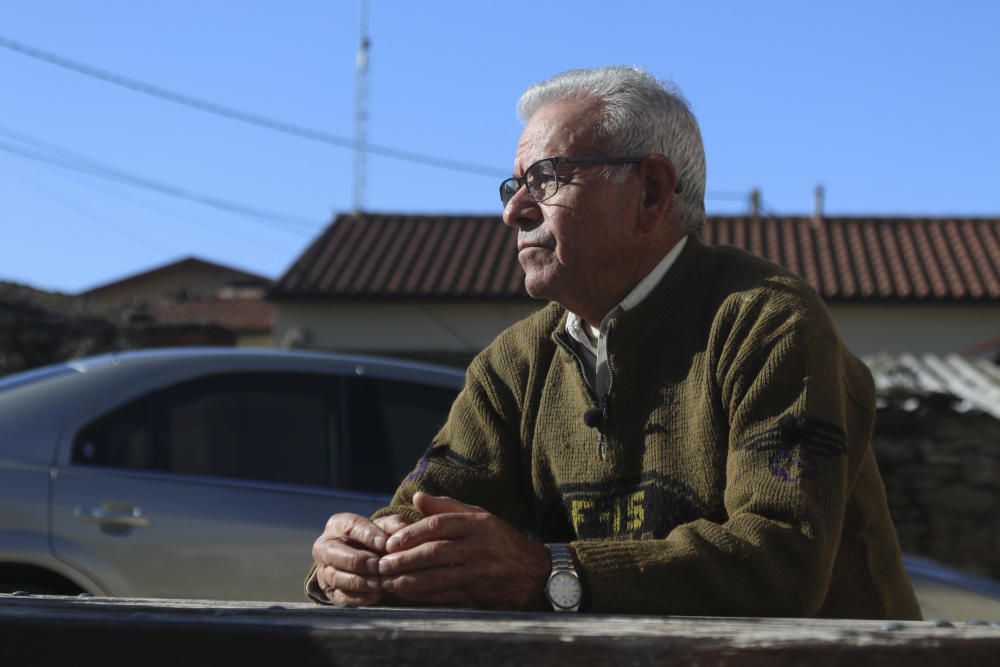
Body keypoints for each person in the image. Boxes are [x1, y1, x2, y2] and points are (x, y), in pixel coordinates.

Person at [307, 66, 922, 619]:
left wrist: (550, 574)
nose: (514, 211)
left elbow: (779, 561)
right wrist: (363, 555)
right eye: (511, 186)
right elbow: (427, 507)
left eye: (545, 178)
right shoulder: (515, 364)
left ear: (652, 192)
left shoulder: (767, 322)